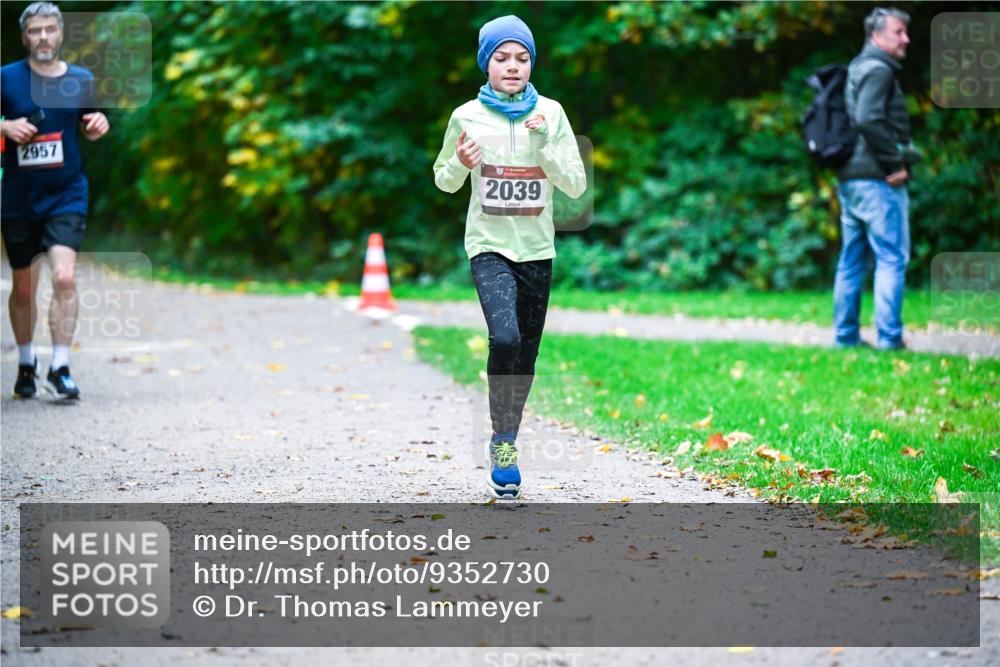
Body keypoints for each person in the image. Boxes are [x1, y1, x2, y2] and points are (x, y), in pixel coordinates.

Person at [433, 15, 586, 498]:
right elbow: (443, 179)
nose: (513, 66)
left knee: (526, 353)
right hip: (489, 246)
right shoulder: (466, 116)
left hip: (537, 250)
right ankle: (501, 440)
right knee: (505, 336)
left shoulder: (553, 113)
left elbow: (577, 186)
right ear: (486, 64)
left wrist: (544, 142)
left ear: (531, 63)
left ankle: (506, 438)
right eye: (502, 58)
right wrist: (461, 161)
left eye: (522, 58)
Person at [1, 1, 110, 399]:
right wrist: (4, 126)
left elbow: (92, 123)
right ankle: (27, 363)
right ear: (25, 36)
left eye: (49, 29)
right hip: (18, 198)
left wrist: (99, 124)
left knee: (64, 277)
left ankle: (60, 366)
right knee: (25, 289)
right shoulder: (6, 78)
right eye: (35, 31)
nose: (43, 37)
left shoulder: (80, 79)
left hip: (66, 194)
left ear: (61, 33)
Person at [834, 7, 918, 351]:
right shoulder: (879, 71)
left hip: (851, 178)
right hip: (876, 179)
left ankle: (846, 337)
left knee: (852, 260)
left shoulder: (858, 66)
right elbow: (869, 119)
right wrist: (894, 163)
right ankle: (889, 339)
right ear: (877, 35)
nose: (906, 39)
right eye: (899, 32)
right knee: (891, 258)